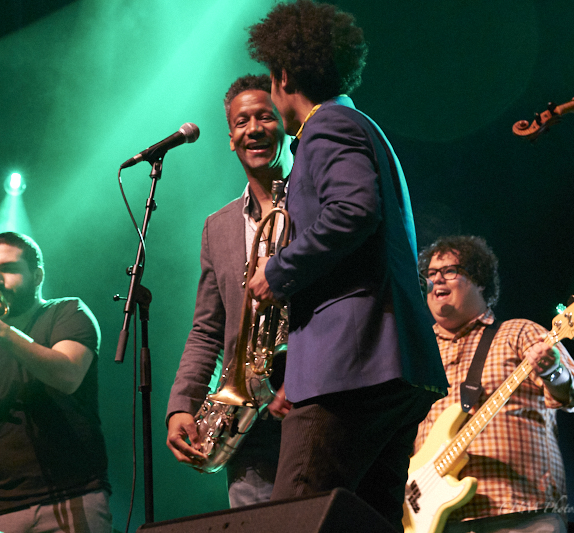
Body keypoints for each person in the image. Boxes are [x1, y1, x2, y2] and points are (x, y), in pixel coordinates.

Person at [245, 1, 449, 529]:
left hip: (349, 367)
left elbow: (353, 210)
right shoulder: (356, 124)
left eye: (270, 81)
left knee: (295, 519)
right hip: (389, 366)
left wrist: (278, 271)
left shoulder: (328, 126)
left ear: (283, 75)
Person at [165, 74, 293, 507]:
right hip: (249, 426)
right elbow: (206, 330)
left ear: (285, 124)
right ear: (230, 139)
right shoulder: (216, 227)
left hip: (312, 409)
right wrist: (182, 404)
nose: (253, 129)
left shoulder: (317, 202)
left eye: (265, 117)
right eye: (241, 122)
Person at [0, 232, 112, 533]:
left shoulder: (68, 312)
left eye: (9, 269)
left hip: (71, 492)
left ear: (38, 275)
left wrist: (2, 333)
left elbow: (67, 376)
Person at [415, 235, 574, 533]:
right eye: (430, 274)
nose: (436, 280)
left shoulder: (519, 332)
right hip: (435, 522)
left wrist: (553, 372)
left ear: (479, 279)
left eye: (449, 270)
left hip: (520, 510)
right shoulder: (418, 353)